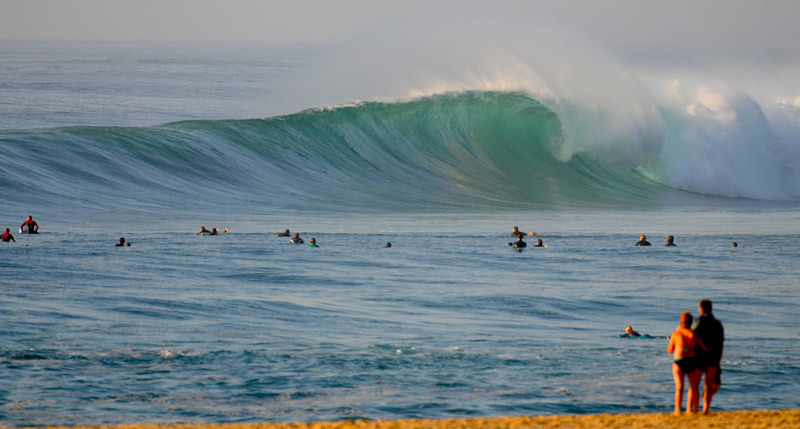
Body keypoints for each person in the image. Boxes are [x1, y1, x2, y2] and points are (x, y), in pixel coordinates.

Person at [668, 311, 705, 414]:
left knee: (679, 387)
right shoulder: (694, 334)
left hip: (679, 361)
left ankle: (677, 410)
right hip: (691, 361)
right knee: (693, 387)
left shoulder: (676, 333)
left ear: (681, 321)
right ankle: (692, 410)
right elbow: (702, 347)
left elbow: (670, 350)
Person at [693, 299, 724, 414]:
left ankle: (695, 409)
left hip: (700, 357)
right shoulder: (718, 324)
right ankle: (705, 410)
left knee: (695, 385)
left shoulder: (700, 322)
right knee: (708, 385)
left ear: (701, 309)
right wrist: (719, 361)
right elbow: (721, 345)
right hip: (714, 358)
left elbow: (693, 337)